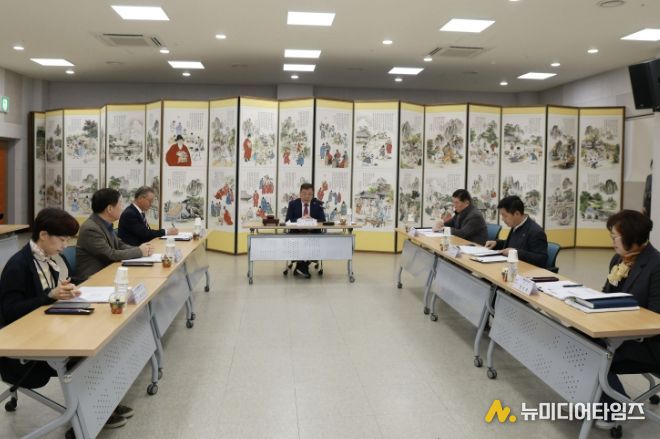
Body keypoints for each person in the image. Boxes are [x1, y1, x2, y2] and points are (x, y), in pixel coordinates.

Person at [0, 208, 133, 430]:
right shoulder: (18, 266)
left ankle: (102, 403)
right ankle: (87, 419)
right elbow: (11, 311)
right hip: (22, 346)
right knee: (83, 355)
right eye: (62, 240)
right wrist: (49, 296)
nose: (65, 245)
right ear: (43, 235)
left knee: (97, 344)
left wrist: (66, 288)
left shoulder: (47, 259)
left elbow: (47, 293)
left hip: (45, 330)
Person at [596, 210, 660, 429]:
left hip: (648, 343)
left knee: (594, 351)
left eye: (615, 237)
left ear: (632, 237)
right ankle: (594, 400)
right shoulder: (619, 260)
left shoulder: (656, 265)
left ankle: (614, 406)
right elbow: (606, 294)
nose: (612, 242)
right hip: (619, 332)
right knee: (576, 336)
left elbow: (655, 317)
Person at [76, 188, 151, 281]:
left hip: (109, 270)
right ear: (110, 209)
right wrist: (139, 251)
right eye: (120, 204)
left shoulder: (104, 223)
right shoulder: (91, 229)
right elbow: (110, 255)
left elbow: (119, 244)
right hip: (93, 278)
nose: (122, 207)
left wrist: (141, 249)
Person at [485, 195, 548, 267]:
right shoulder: (516, 224)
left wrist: (515, 253)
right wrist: (496, 243)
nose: (503, 219)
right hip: (512, 266)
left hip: (527, 270)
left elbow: (542, 259)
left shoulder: (536, 232)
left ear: (517, 214)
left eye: (505, 216)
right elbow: (513, 244)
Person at [285, 183, 326, 278]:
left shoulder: (317, 204)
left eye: (310, 194)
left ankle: (301, 266)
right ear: (300, 194)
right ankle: (302, 265)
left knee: (313, 239)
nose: (307, 196)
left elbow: (323, 220)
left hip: (313, 232)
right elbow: (287, 220)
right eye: (304, 194)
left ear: (313, 194)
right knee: (299, 240)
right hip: (297, 232)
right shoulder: (293, 204)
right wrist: (300, 219)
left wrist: (312, 220)